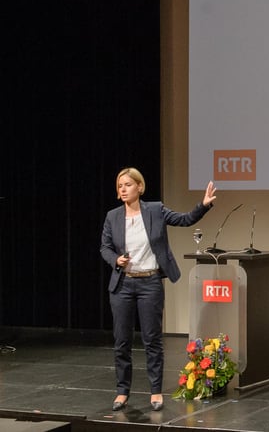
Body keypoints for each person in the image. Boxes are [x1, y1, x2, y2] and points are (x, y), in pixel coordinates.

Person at [100, 167, 216, 412]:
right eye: (120, 185)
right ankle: (122, 391)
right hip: (122, 284)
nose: (123, 189)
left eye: (128, 185)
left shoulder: (155, 210)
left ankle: (155, 392)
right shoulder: (113, 216)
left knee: (152, 340)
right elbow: (105, 247)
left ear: (139, 187)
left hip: (149, 283)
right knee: (122, 341)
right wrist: (115, 260)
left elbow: (184, 220)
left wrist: (203, 205)